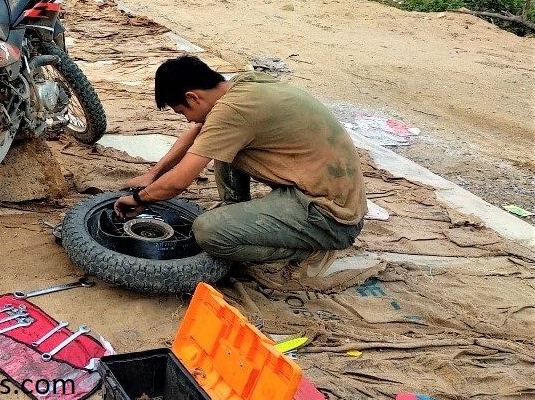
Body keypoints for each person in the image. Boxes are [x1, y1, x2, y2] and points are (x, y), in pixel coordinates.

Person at [115, 56, 366, 265]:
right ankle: (236, 207)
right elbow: (199, 132)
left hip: (329, 215)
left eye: (182, 112)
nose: (187, 120)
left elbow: (178, 183)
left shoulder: (231, 112)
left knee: (209, 233)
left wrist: (139, 198)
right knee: (216, 143)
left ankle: (305, 249)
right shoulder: (239, 86)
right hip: (321, 187)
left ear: (193, 97)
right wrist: (154, 173)